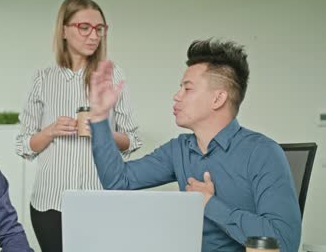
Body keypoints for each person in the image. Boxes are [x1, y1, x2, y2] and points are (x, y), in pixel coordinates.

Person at [88, 39, 301, 251]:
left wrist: (209, 204)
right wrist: (99, 117)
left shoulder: (263, 152)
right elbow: (118, 181)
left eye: (187, 89)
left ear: (218, 99)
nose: (176, 96)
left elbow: (284, 241)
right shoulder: (178, 150)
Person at [16, 0, 141, 252]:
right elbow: (23, 144)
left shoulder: (112, 74)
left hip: (101, 200)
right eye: (84, 27)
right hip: (49, 203)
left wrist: (102, 132)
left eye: (99, 29)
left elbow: (132, 140)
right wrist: (51, 131)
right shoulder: (43, 78)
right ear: (64, 30)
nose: (93, 35)